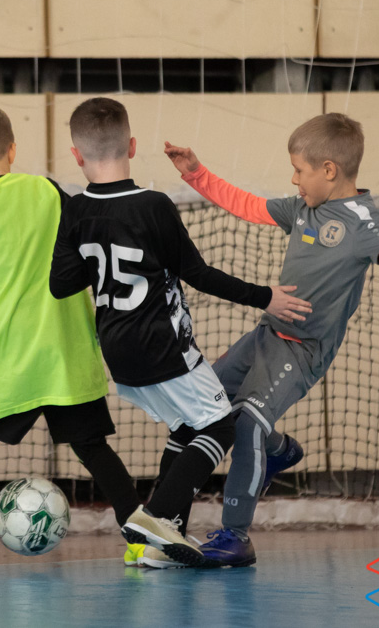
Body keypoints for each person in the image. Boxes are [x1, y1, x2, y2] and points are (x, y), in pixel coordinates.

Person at [0, 100, 183, 574]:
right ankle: (140, 541)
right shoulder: (46, 191)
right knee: (93, 448)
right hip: (60, 355)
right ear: (12, 149)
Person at [49, 97, 312, 569]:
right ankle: (155, 518)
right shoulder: (153, 206)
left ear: (76, 154)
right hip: (162, 346)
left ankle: (161, 543)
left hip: (117, 350)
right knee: (220, 425)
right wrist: (265, 296)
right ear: (132, 146)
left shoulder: (76, 211)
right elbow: (198, 274)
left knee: (187, 427)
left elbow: (60, 284)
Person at [163, 112, 379, 567]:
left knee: (247, 424)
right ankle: (278, 451)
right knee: (203, 402)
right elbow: (246, 204)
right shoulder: (302, 209)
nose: (294, 179)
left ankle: (236, 536)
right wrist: (196, 174)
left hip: (302, 351)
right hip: (265, 335)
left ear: (329, 170)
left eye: (299, 170)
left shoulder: (361, 218)